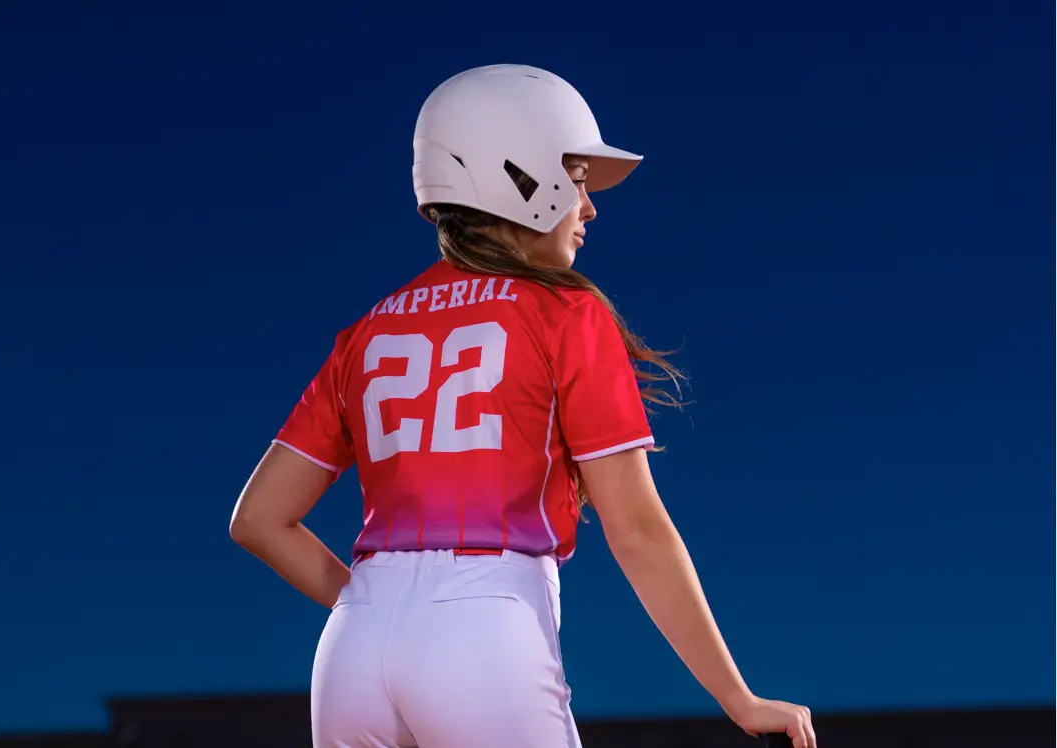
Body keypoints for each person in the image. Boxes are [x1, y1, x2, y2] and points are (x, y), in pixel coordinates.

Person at [230, 64, 818, 748]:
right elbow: (636, 531)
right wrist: (739, 699)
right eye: (573, 178)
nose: (588, 206)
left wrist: (380, 610)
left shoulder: (367, 332)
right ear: (520, 178)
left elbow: (260, 520)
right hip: (485, 629)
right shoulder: (564, 314)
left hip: (350, 651)